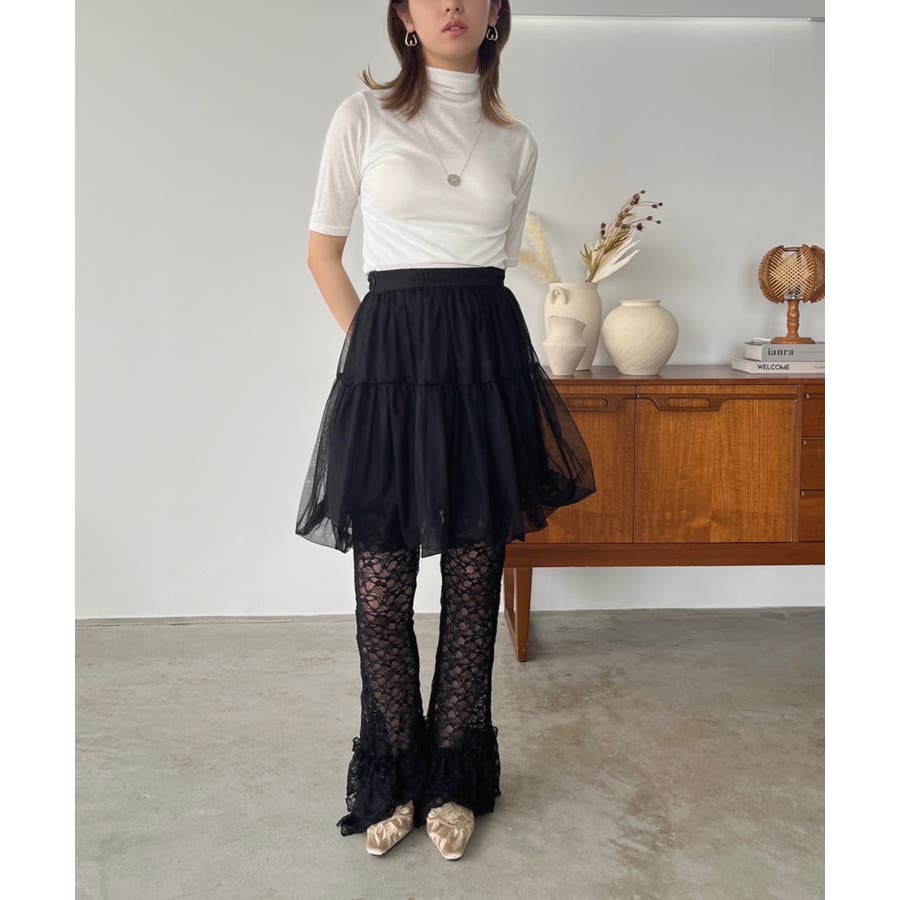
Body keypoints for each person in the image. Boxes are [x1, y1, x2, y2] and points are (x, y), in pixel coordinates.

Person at [294, 0, 596, 860]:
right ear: (404, 17)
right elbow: (323, 252)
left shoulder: (517, 143)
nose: (451, 5)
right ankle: (395, 769)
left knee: (472, 581)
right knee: (382, 588)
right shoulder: (361, 117)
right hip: (390, 367)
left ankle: (455, 776)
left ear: (497, 14)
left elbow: (492, 259)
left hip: (482, 364)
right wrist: (378, 354)